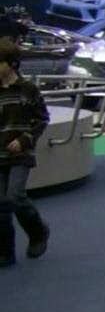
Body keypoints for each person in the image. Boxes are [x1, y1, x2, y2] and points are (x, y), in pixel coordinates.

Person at [0, 37, 50, 267]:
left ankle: (37, 231)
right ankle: (5, 252)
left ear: (11, 64)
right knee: (1, 205)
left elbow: (42, 119)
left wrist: (24, 140)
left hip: (20, 155)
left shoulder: (28, 89)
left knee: (15, 196)